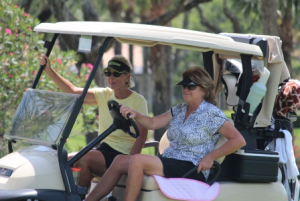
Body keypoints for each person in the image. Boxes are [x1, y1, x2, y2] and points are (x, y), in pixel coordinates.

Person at [85, 66, 246, 201]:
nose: (185, 89)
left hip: (190, 166)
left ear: (203, 90)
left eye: (191, 86)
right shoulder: (180, 109)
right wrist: (136, 114)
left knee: (138, 160)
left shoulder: (212, 114)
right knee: (120, 160)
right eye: (183, 86)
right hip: (170, 161)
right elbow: (154, 123)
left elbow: (238, 140)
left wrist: (210, 157)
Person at [39, 54, 148, 188]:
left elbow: (142, 136)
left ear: (127, 76)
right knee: (64, 160)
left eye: (116, 74)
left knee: (84, 159)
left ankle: (79, 198)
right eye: (108, 73)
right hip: (103, 150)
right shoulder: (104, 94)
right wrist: (49, 70)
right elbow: (72, 91)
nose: (111, 78)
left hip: (122, 154)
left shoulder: (138, 101)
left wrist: (130, 162)